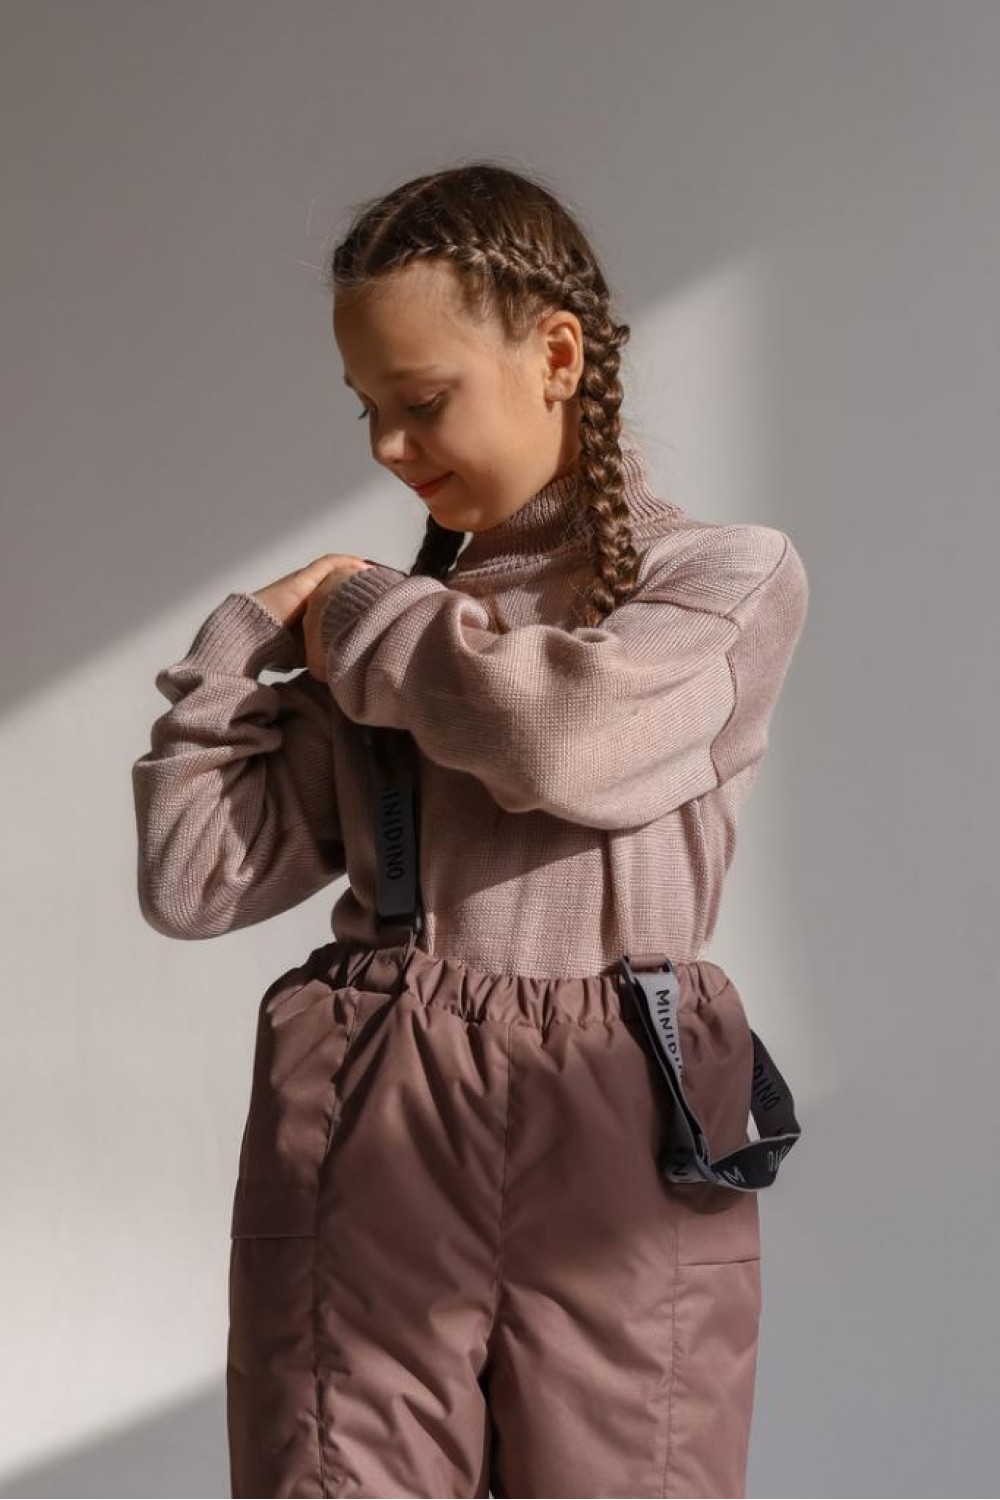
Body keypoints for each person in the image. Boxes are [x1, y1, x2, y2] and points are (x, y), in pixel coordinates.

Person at [131, 161, 809, 1499]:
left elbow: (561, 741)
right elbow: (195, 882)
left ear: (556, 357)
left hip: (623, 1104)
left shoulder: (721, 582)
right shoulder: (382, 647)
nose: (389, 446)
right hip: (380, 1098)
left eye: (422, 399)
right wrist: (236, 649)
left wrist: (355, 617)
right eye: (369, 408)